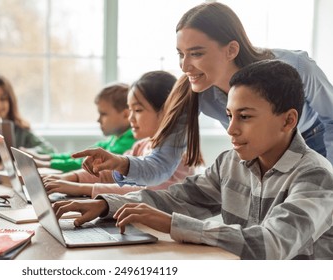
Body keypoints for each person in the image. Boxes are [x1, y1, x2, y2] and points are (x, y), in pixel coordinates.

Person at [54, 60, 333, 260]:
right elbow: (175, 199)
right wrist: (105, 204)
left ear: (288, 120)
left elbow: (271, 246)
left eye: (245, 116)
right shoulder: (230, 163)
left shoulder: (316, 176)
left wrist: (172, 223)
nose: (231, 129)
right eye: (229, 115)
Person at [73, 2, 333, 187]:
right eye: (180, 54)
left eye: (196, 53)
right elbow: (162, 164)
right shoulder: (194, 91)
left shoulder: (296, 66)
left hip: (314, 142)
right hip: (260, 152)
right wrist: (119, 162)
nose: (185, 67)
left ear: (231, 50)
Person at [43, 71, 196, 197]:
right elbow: (108, 173)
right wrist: (67, 178)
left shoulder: (177, 157)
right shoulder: (140, 146)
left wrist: (80, 188)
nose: (130, 118)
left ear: (166, 111)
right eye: (130, 111)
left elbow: (145, 193)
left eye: (137, 110)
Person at [25, 82, 136, 173]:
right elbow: (81, 155)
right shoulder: (115, 138)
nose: (98, 120)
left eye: (103, 114)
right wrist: (45, 158)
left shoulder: (130, 142)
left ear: (125, 115)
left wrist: (44, 164)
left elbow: (84, 164)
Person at [0, 75, 55, 154]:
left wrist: (25, 152)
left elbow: (50, 150)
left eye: (3, 99)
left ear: (10, 101)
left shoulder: (21, 130)